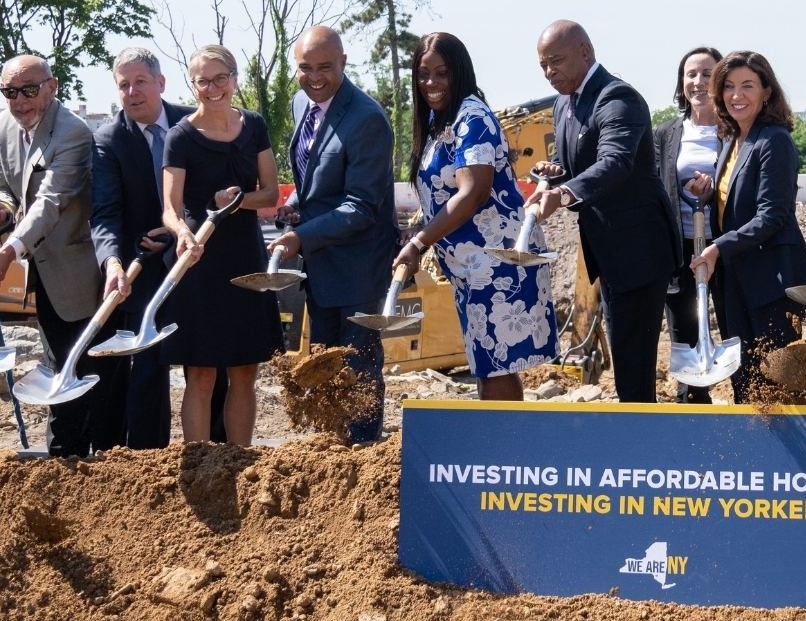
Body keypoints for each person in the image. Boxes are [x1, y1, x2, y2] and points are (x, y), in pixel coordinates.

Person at [396, 32, 558, 400]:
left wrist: (421, 242)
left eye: (442, 73)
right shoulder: (442, 121)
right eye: (423, 74)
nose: (431, 83)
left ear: (460, 73)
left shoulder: (473, 117)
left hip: (498, 263)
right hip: (471, 267)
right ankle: (503, 451)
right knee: (486, 363)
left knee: (495, 365)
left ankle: (508, 452)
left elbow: (473, 191)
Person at [526, 20, 677, 403]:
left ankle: (642, 445)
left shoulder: (618, 99)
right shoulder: (564, 102)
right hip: (608, 252)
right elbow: (567, 158)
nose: (549, 72)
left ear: (585, 52)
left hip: (640, 249)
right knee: (625, 356)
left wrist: (561, 194)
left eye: (556, 62)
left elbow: (615, 162)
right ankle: (634, 432)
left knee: (634, 360)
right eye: (543, 65)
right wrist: (550, 174)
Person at [91, 47, 227, 449]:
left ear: (161, 83)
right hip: (145, 270)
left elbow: (217, 193)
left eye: (140, 82)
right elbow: (105, 213)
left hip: (200, 263)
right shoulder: (109, 140)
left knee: (207, 369)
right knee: (147, 374)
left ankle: (218, 456)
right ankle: (148, 466)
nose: (133, 92)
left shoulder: (196, 123)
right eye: (124, 85)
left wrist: (185, 225)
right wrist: (113, 261)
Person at [0, 54, 111, 456]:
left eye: (30, 91)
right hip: (41, 271)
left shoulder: (71, 133)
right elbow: (2, 183)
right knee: (57, 363)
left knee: (83, 367)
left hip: (77, 270)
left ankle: (87, 458)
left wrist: (9, 249)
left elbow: (49, 203)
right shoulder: (3, 126)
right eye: (10, 93)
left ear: (52, 88)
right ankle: (63, 457)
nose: (20, 101)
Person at [277, 26, 398, 443]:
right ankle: (333, 454)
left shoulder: (367, 119)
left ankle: (363, 455)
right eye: (304, 68)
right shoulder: (301, 103)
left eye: (324, 67)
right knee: (323, 365)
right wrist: (297, 200)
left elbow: (362, 205)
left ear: (344, 63)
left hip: (359, 266)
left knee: (357, 367)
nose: (314, 77)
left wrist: (299, 237)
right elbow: (316, 176)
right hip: (322, 262)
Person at [161, 45, 283, 445]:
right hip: (201, 259)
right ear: (192, 85)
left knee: (245, 369)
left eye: (220, 78)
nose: (212, 88)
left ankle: (240, 460)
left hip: (246, 256)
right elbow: (170, 209)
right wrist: (182, 233)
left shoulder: (255, 126)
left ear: (234, 79)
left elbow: (269, 196)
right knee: (201, 371)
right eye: (203, 81)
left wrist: (234, 202)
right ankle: (198, 463)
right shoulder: (180, 137)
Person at [686, 51, 806, 399]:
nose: (736, 95)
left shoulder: (774, 141)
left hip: (771, 282)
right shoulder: (732, 140)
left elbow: (773, 215)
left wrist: (718, 247)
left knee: (777, 383)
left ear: (767, 91)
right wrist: (710, 195)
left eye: (747, 86)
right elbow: (739, 203)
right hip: (738, 279)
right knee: (744, 379)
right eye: (729, 86)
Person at [652, 46, 724, 404]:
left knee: (732, 328)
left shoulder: (736, 131)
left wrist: (711, 193)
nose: (698, 82)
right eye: (690, 75)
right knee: (685, 333)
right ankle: (692, 406)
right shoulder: (665, 134)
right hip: (679, 249)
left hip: (726, 246)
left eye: (707, 73)